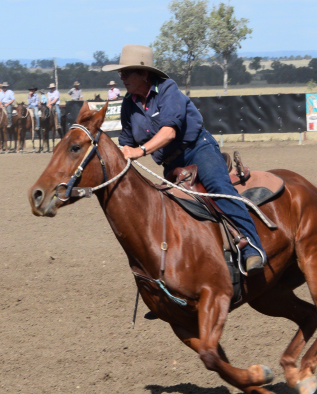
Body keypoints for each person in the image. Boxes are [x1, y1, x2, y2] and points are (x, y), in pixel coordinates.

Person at [105, 44, 266, 273]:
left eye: (127, 72)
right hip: (170, 164)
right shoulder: (128, 104)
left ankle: (252, 248)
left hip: (197, 149)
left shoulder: (167, 89)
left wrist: (139, 152)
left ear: (144, 73)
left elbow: (169, 132)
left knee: (218, 187)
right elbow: (126, 142)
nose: (121, 77)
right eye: (121, 73)